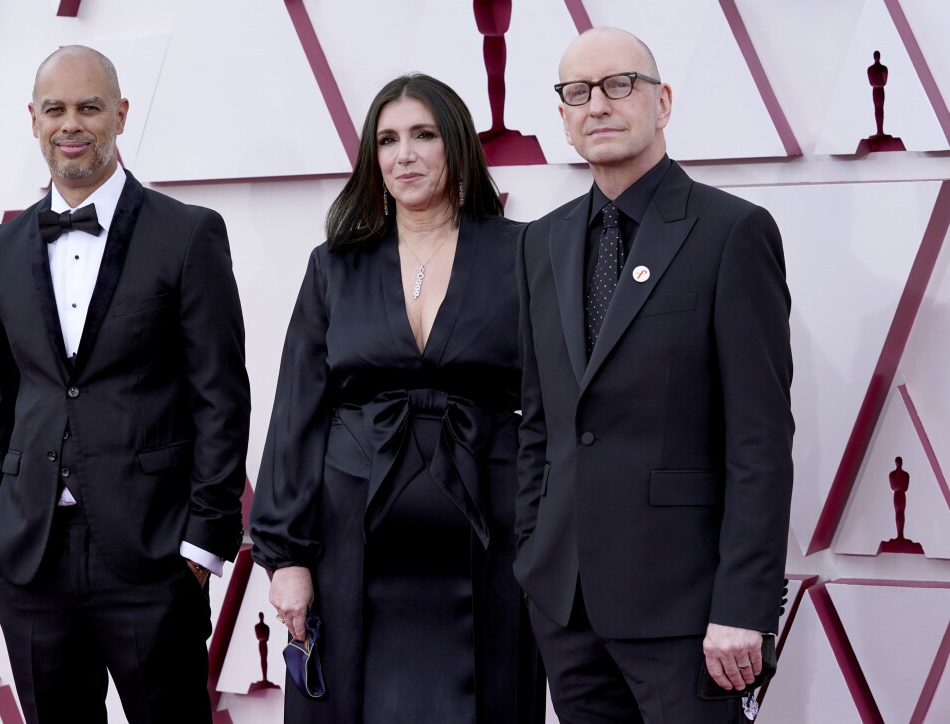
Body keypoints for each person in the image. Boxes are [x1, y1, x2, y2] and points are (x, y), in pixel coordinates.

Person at [514, 28, 793, 723]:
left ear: (662, 102)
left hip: (689, 612)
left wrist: (743, 606)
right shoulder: (539, 241)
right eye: (577, 93)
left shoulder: (732, 232)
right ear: (562, 117)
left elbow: (759, 441)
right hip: (567, 605)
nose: (597, 105)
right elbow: (541, 423)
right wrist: (533, 556)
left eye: (619, 85)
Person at [0, 45, 250, 723]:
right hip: (29, 556)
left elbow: (221, 396)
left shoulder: (187, 234)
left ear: (120, 115)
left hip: (152, 555)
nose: (72, 124)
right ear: (32, 120)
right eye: (55, 109)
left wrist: (201, 545)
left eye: (89, 107)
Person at [249, 73, 541, 724]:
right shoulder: (334, 265)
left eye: (423, 135)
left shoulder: (524, 252)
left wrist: (546, 544)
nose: (403, 154)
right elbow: (296, 414)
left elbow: (553, 407)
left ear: (457, 144)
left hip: (491, 538)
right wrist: (285, 559)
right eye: (387, 140)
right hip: (348, 542)